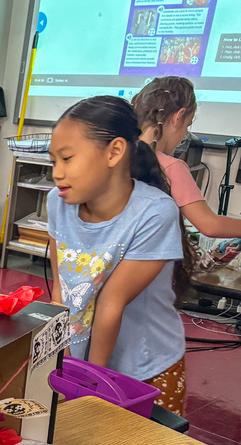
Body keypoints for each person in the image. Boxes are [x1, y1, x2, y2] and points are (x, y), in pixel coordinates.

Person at [46, 95, 190, 414]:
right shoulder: (58, 202)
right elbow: (61, 292)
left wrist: (89, 388)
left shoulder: (153, 213)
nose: (57, 173)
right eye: (53, 161)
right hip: (80, 361)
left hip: (144, 368)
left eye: (68, 159)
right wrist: (68, 364)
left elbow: (111, 303)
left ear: (114, 152)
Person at [132, 76, 241, 239]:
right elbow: (210, 225)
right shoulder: (170, 167)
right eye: (187, 124)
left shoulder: (118, 154)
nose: (185, 133)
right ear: (178, 117)